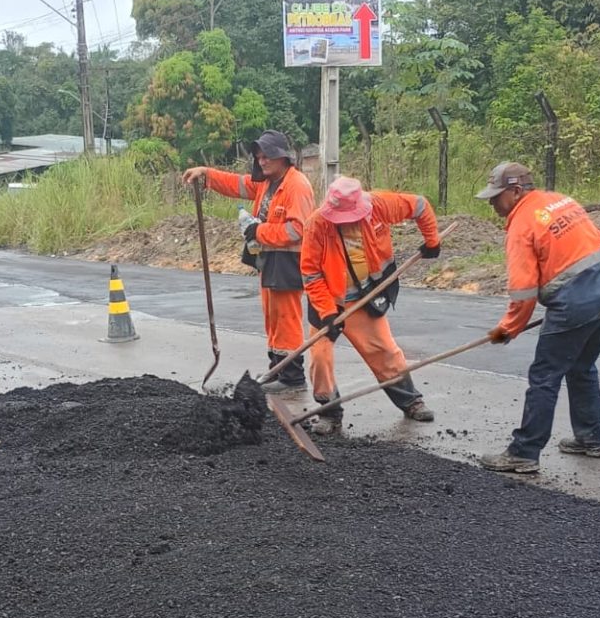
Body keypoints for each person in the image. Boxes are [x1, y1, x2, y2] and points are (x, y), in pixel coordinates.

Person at [476, 161, 600, 474]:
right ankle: (591, 438)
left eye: (496, 196)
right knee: (581, 366)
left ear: (516, 191)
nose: (491, 203)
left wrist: (506, 331)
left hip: (576, 302)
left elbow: (523, 294)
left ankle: (524, 452)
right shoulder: (559, 201)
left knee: (545, 375)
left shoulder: (521, 225)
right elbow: (598, 240)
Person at [298, 176, 441, 435]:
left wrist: (432, 240)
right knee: (320, 356)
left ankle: (411, 401)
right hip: (329, 301)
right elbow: (311, 274)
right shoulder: (317, 224)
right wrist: (328, 312)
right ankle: (329, 413)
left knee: (384, 351)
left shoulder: (379, 205)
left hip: (366, 296)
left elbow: (419, 205)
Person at [182, 130, 315, 393]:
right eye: (259, 157)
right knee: (273, 317)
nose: (262, 161)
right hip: (270, 258)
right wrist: (206, 174)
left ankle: (292, 376)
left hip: (289, 261)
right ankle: (277, 368)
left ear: (282, 157)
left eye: (267, 157)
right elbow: (237, 184)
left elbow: (297, 230)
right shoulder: (267, 183)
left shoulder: (296, 185)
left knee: (286, 318)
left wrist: (258, 231)